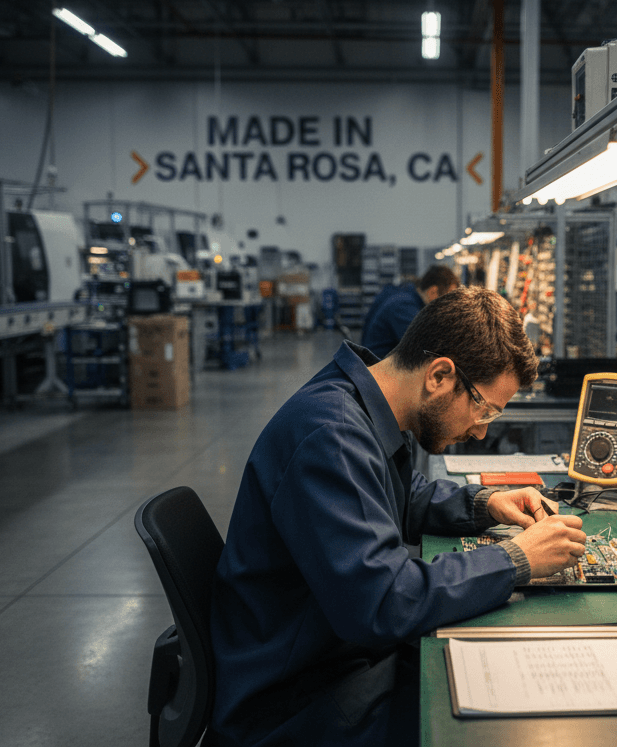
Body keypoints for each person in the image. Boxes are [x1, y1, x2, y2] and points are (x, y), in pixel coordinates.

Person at [210, 287, 586, 747]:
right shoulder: (332, 437)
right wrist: (516, 559)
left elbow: (397, 496)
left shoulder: (366, 405)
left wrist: (484, 503)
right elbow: (384, 602)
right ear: (440, 375)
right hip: (294, 703)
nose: (482, 429)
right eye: (484, 408)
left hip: (331, 658)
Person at [359, 265, 460, 358]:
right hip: (375, 368)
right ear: (433, 291)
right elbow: (423, 347)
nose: (448, 304)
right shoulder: (403, 306)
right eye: (447, 297)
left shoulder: (409, 295)